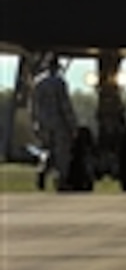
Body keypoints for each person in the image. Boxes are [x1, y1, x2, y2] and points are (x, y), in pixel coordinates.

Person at [30, 55, 79, 191]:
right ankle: (61, 181)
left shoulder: (38, 82)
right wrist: (73, 125)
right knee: (61, 153)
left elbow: (33, 105)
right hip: (58, 122)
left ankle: (42, 171)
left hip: (42, 122)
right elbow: (65, 106)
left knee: (47, 150)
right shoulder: (59, 82)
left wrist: (35, 122)